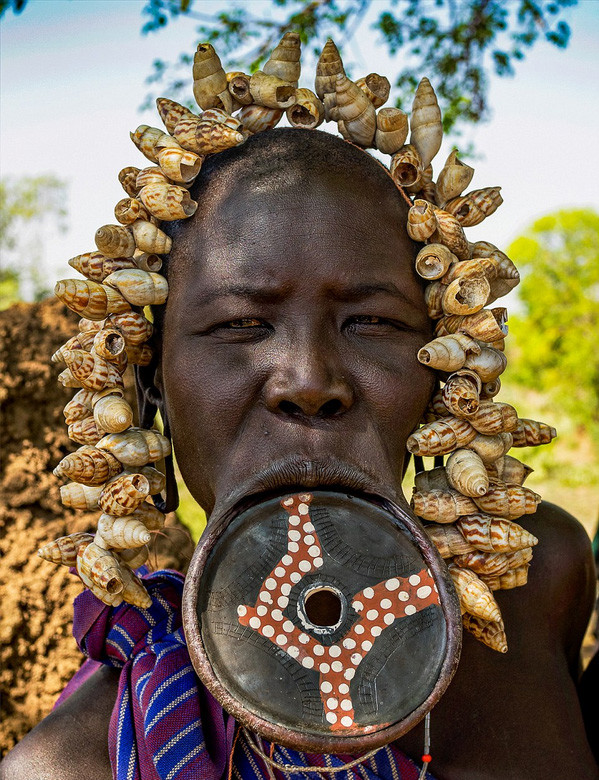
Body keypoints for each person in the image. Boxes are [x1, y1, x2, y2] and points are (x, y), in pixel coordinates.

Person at [2, 40, 598, 780]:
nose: (310, 380)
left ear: (446, 379)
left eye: (371, 322)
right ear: (148, 384)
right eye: (239, 326)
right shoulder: (79, 764)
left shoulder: (540, 584)